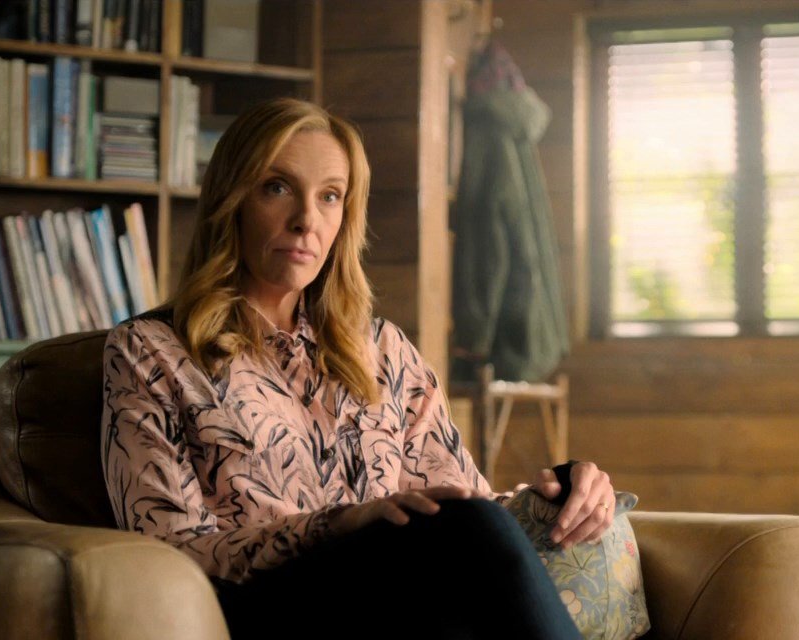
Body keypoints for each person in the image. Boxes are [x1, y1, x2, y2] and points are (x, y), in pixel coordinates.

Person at [99, 97, 615, 638]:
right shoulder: (149, 351)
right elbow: (168, 551)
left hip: (398, 604)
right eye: (277, 187)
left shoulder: (385, 351)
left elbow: (467, 508)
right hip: (263, 608)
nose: (306, 221)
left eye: (329, 196)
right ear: (233, 200)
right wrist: (336, 525)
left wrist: (560, 493)